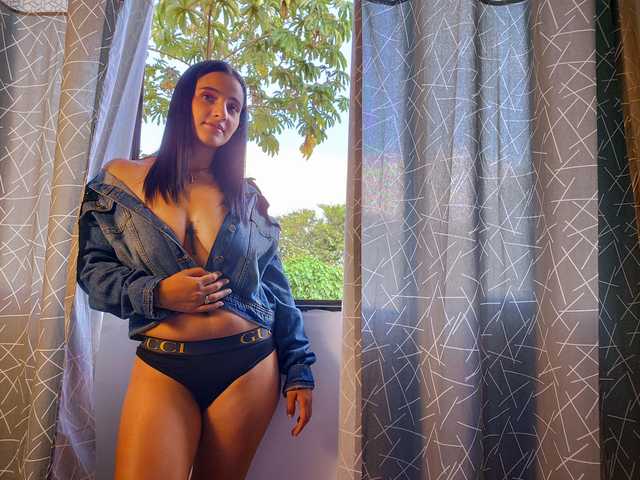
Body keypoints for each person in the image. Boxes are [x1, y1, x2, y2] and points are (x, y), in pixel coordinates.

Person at [75, 60, 316, 480]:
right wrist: (158, 293)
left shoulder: (246, 197)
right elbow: (92, 271)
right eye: (209, 97)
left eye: (234, 107)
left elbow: (278, 291)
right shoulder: (121, 179)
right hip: (163, 364)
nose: (222, 113)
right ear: (183, 101)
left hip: (250, 363)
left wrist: (299, 370)